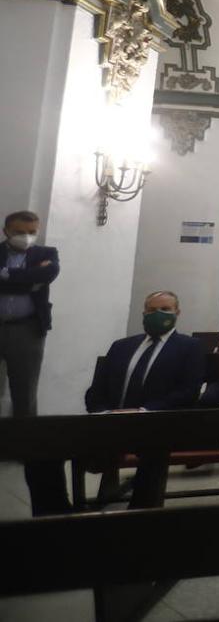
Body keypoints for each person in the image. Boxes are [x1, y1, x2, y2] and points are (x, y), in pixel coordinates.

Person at [84, 291, 207, 508]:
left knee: (155, 447)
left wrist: (143, 411)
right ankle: (58, 512)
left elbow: (188, 392)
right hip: (111, 419)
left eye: (165, 309)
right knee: (48, 445)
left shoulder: (190, 347)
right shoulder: (121, 346)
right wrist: (103, 413)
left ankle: (142, 511)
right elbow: (97, 388)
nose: (158, 314)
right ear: (144, 313)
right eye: (152, 310)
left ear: (177, 313)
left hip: (156, 421)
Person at [1, 210, 67, 516]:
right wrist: (25, 282)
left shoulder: (46, 253)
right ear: (6, 231)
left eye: (31, 230)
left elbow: (45, 275)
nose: (26, 236)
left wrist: (7, 276)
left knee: (24, 390)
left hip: (27, 328)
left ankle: (23, 447)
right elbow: (32, 280)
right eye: (19, 231)